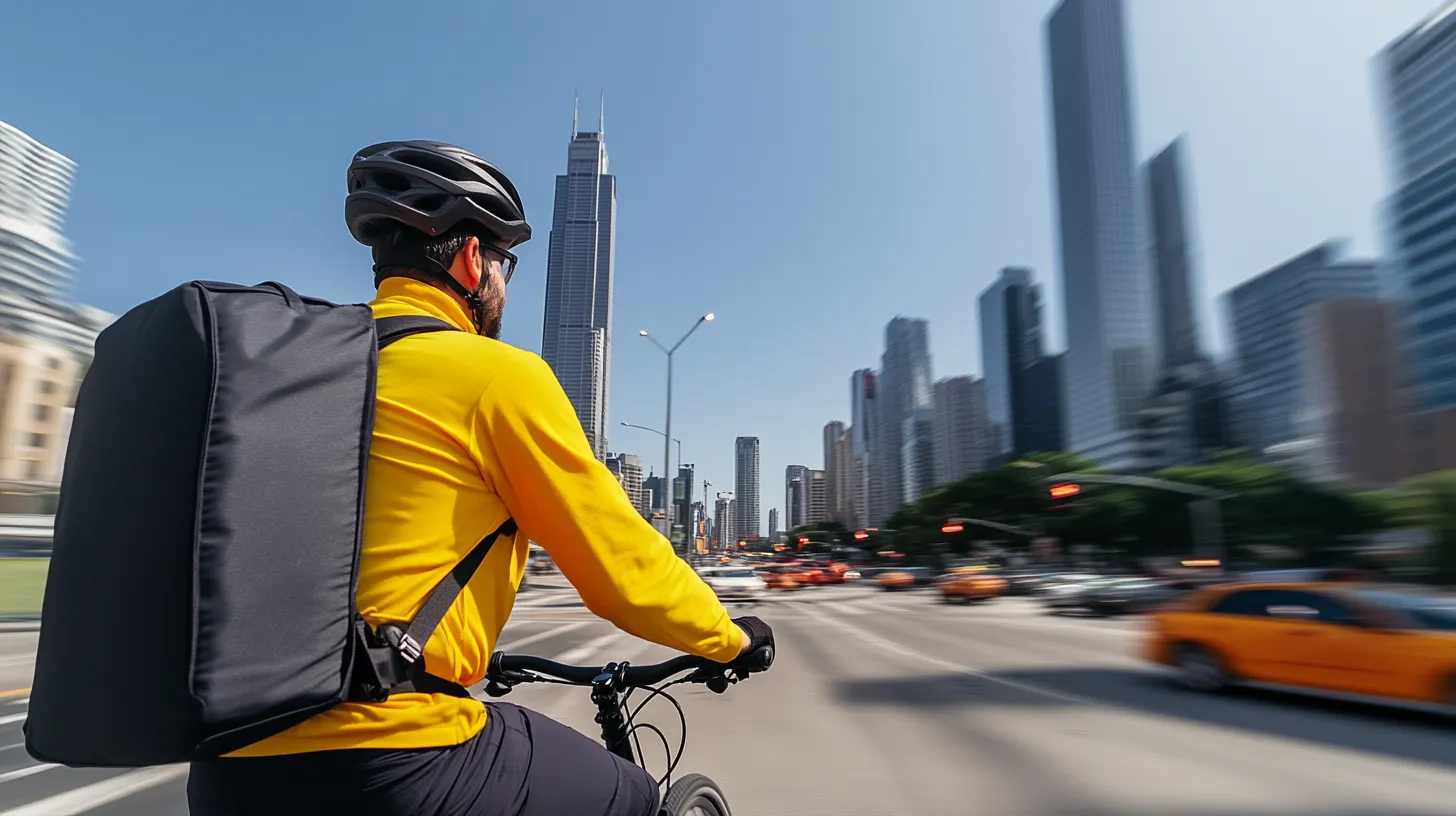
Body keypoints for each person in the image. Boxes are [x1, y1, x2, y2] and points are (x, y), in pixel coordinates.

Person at [186, 140, 774, 816]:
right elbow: (623, 570)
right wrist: (732, 637)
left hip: (228, 770)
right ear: (474, 261)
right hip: (393, 760)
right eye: (505, 265)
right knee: (639, 799)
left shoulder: (296, 377)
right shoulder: (497, 376)